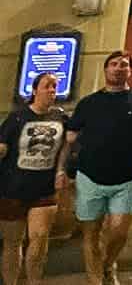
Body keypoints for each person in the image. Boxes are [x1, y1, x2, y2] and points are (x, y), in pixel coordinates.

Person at [58, 51, 132, 285]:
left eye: (124, 64)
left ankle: (108, 263)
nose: (118, 68)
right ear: (105, 69)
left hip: (125, 178)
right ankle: (95, 279)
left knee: (119, 232)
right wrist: (61, 169)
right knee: (90, 233)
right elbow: (70, 139)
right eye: (113, 64)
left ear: (130, 70)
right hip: (89, 177)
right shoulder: (89, 103)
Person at [1, 73, 68, 285]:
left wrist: (61, 171)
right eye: (47, 86)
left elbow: (67, 146)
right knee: (13, 242)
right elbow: (3, 146)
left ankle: (34, 282)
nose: (52, 90)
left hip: (44, 189)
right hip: (13, 188)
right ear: (35, 90)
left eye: (55, 86)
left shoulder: (61, 118)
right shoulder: (17, 117)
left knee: (39, 237)